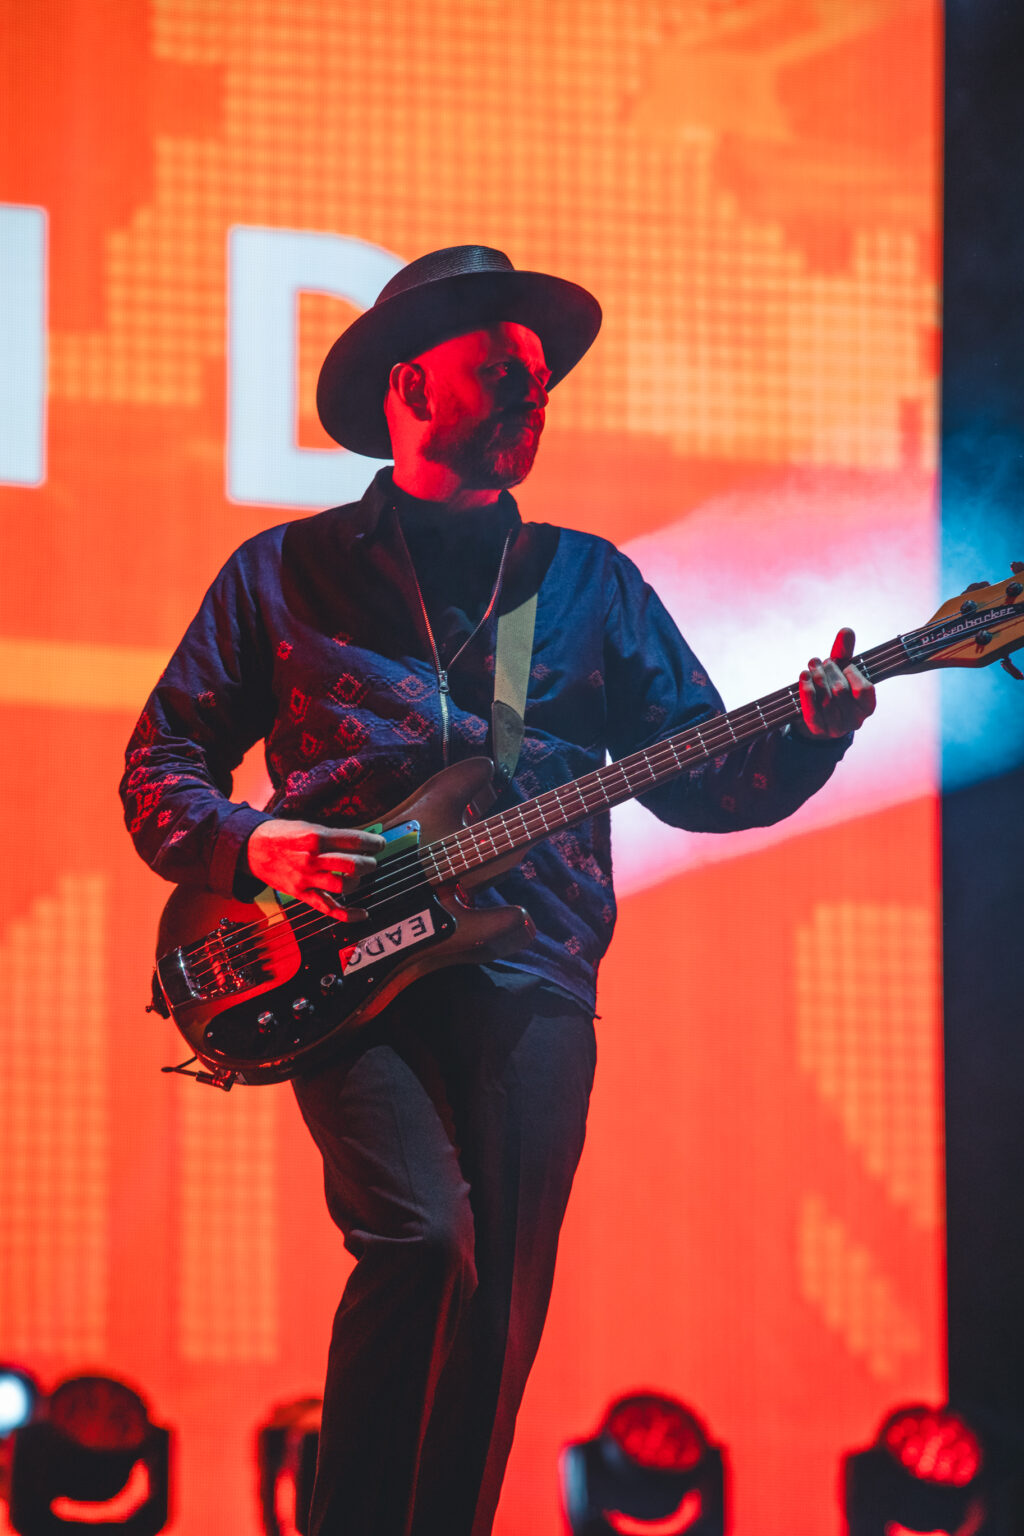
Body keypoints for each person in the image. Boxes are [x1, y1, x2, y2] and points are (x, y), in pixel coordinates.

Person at [120, 245, 874, 1536]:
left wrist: (811, 734)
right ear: (412, 386)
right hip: (333, 966)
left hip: (533, 970)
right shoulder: (283, 571)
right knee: (420, 1241)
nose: (537, 395)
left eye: (543, 378)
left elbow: (704, 777)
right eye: (505, 371)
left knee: (498, 1326)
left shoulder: (585, 584)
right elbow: (160, 765)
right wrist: (251, 848)